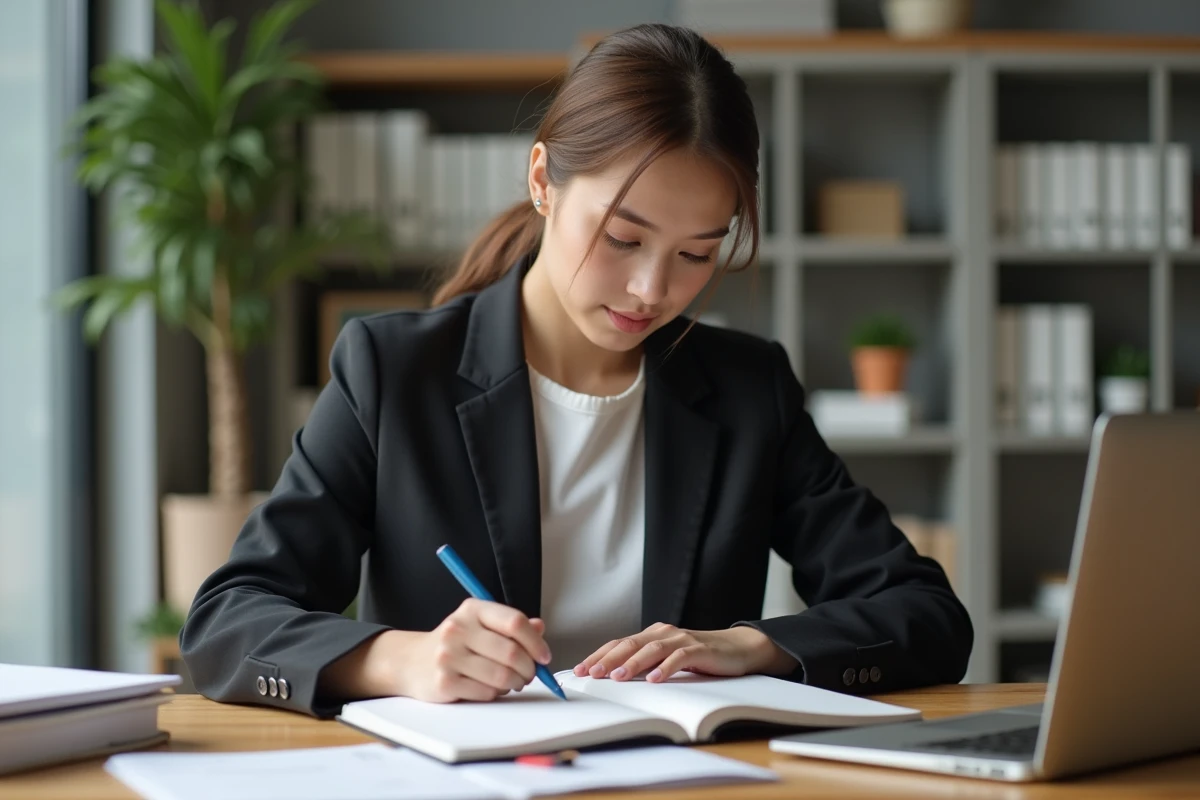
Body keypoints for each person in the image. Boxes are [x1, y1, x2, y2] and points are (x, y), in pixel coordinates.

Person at [180, 23, 972, 719]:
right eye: (624, 238)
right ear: (541, 183)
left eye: (697, 254)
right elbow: (227, 623)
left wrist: (753, 645)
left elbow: (927, 615)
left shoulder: (745, 389)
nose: (652, 290)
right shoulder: (393, 372)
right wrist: (404, 659)